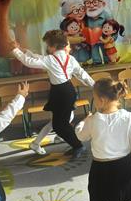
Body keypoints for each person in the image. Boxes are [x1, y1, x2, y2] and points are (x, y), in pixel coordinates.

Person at [11, 29, 94, 158]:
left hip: (60, 93)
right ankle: (74, 145)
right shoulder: (69, 58)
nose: (47, 48)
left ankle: (78, 146)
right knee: (60, 122)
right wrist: (94, 85)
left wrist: (15, 50)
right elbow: (82, 74)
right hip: (68, 91)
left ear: (53, 46)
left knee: (59, 125)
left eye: (48, 45)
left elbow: (29, 62)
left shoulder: (50, 59)